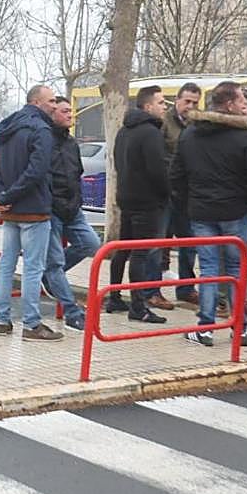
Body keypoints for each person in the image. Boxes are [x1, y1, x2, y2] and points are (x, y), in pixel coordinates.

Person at [171, 81, 247, 347]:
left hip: (202, 212)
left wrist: (190, 202)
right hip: (236, 211)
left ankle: (205, 327)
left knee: (207, 269)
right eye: (242, 102)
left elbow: (177, 176)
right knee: (237, 269)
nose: (245, 107)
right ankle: (239, 329)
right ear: (229, 104)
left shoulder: (190, 133)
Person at [0, 84, 61, 340]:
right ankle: (31, 324)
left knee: (6, 266)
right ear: (38, 102)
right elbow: (37, 172)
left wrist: (2, 197)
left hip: (10, 212)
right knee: (32, 268)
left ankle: (2, 320)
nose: (55, 105)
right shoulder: (41, 130)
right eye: (51, 101)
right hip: (34, 210)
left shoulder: (6, 128)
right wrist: (7, 197)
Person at [108, 84, 171, 324]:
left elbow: (117, 163)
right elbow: (158, 169)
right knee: (141, 252)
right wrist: (166, 194)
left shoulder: (124, 131)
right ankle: (138, 306)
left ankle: (114, 297)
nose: (165, 107)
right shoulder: (151, 132)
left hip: (126, 197)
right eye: (161, 102)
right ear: (148, 106)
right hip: (147, 201)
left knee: (123, 249)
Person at [42, 96, 101, 331]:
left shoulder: (71, 143)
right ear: (53, 113)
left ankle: (49, 278)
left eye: (71, 111)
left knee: (92, 243)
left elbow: (76, 174)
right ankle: (72, 312)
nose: (70, 115)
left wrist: (76, 200)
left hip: (73, 208)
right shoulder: (44, 140)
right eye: (65, 111)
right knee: (55, 262)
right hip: (51, 210)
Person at [160, 82, 202, 305]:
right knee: (160, 242)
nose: (190, 106)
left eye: (195, 102)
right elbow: (158, 155)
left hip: (188, 194)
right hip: (167, 192)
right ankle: (153, 290)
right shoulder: (164, 122)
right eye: (187, 101)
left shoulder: (199, 124)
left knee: (189, 243)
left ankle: (186, 288)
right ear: (177, 100)